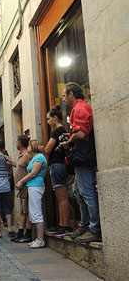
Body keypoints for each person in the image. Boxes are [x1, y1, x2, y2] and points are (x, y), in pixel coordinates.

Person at [61, 83, 101, 243]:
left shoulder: (80, 108)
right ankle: (85, 225)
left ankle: (94, 228)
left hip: (83, 156)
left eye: (64, 96)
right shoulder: (80, 108)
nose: (64, 99)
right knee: (78, 192)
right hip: (81, 156)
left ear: (71, 94)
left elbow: (82, 132)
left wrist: (69, 141)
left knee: (86, 192)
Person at [44, 106, 73, 237]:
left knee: (62, 197)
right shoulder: (64, 130)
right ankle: (62, 224)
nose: (47, 122)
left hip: (57, 164)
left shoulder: (56, 132)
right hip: (60, 165)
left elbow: (47, 150)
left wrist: (41, 148)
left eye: (49, 119)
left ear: (55, 118)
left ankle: (65, 225)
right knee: (61, 197)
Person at [15, 140, 47, 249]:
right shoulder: (35, 158)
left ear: (33, 147)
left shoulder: (39, 157)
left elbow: (33, 174)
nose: (27, 146)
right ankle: (38, 239)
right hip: (32, 186)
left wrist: (21, 181)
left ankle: (40, 240)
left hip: (36, 186)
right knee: (33, 213)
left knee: (36, 212)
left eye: (29, 145)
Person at [6, 135, 33, 243]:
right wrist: (12, 163)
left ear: (20, 143)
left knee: (27, 210)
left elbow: (31, 170)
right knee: (22, 210)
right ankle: (21, 231)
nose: (15, 143)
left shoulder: (27, 155)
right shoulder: (21, 155)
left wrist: (23, 181)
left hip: (26, 186)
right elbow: (20, 166)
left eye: (17, 141)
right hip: (21, 187)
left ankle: (28, 233)